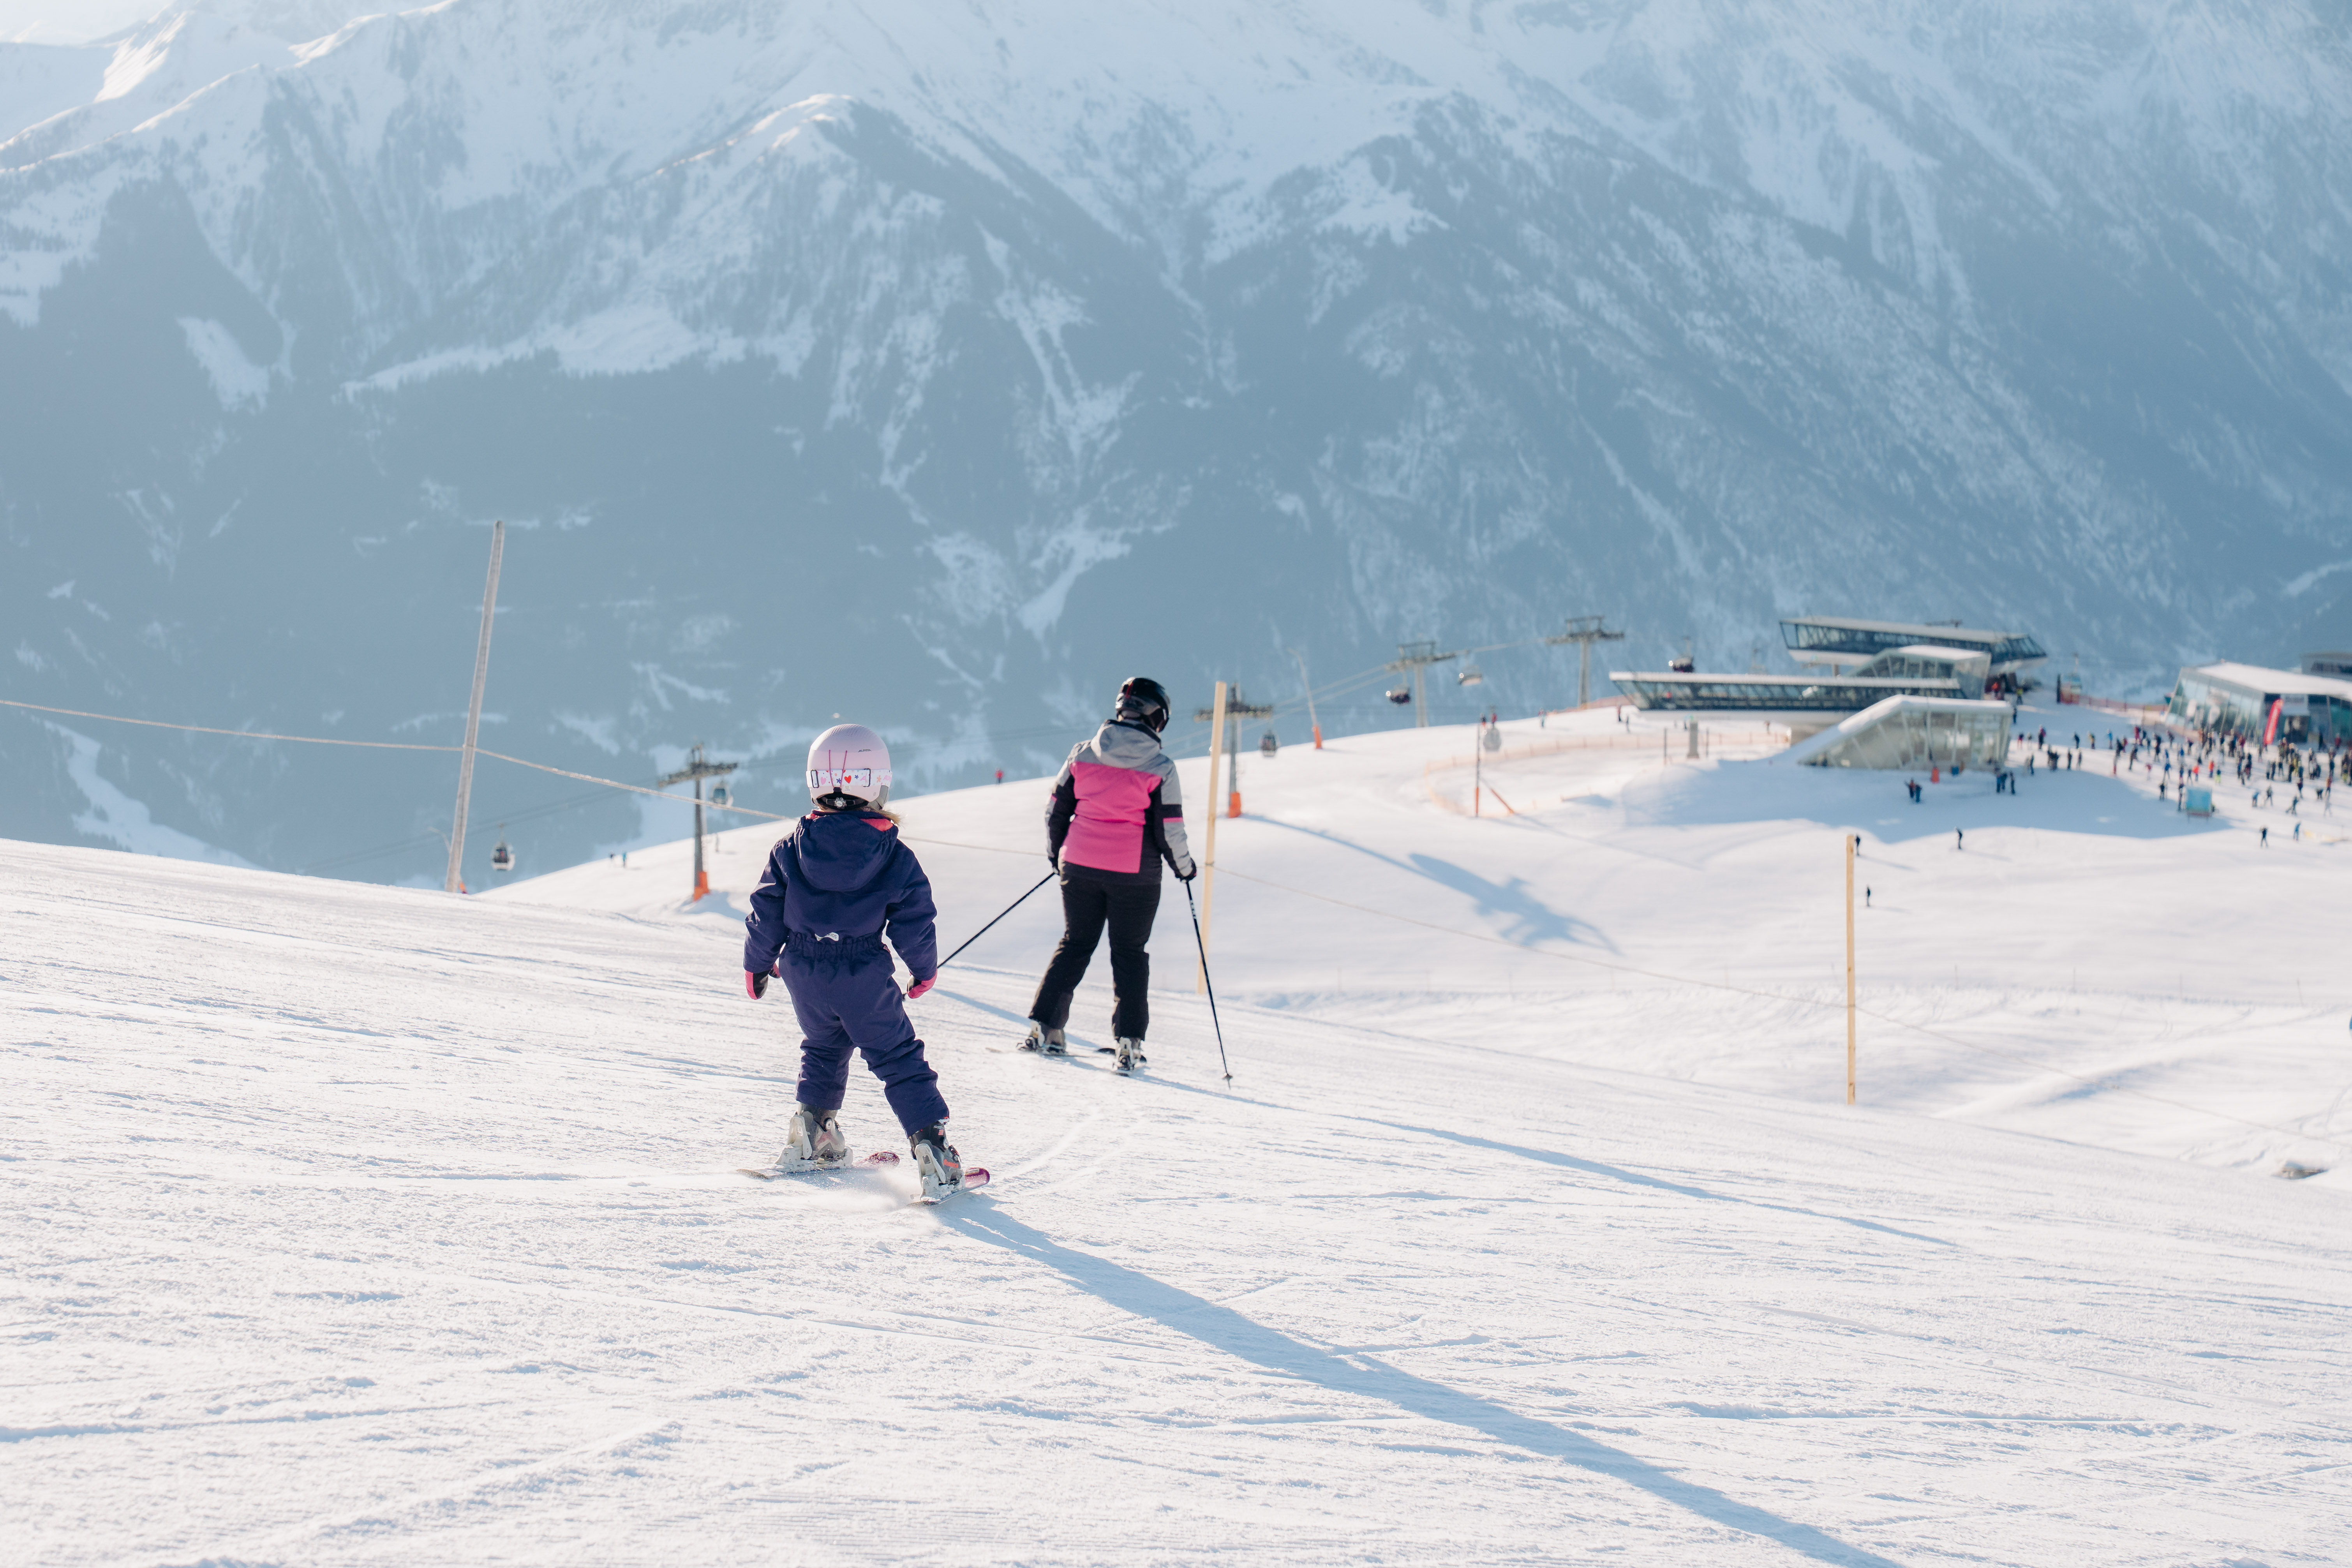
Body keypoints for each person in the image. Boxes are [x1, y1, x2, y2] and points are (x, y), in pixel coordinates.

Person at [742, 724, 967, 1198]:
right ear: (878, 782)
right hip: (860, 971)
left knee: (824, 1045)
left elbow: (765, 911)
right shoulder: (893, 855)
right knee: (897, 1056)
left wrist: (757, 963)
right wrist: (923, 969)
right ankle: (934, 1151)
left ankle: (812, 1133)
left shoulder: (790, 847)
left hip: (802, 969)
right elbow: (914, 921)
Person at [1024, 676, 1199, 1074]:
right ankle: (1128, 1043)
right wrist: (1184, 868)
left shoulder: (1082, 754)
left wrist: (1058, 858)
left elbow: (1055, 811)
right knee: (1129, 954)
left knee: (1076, 942)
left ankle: (1045, 1026)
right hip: (1134, 875)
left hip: (1079, 866)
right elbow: (1169, 829)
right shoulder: (1160, 767)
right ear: (1157, 717)